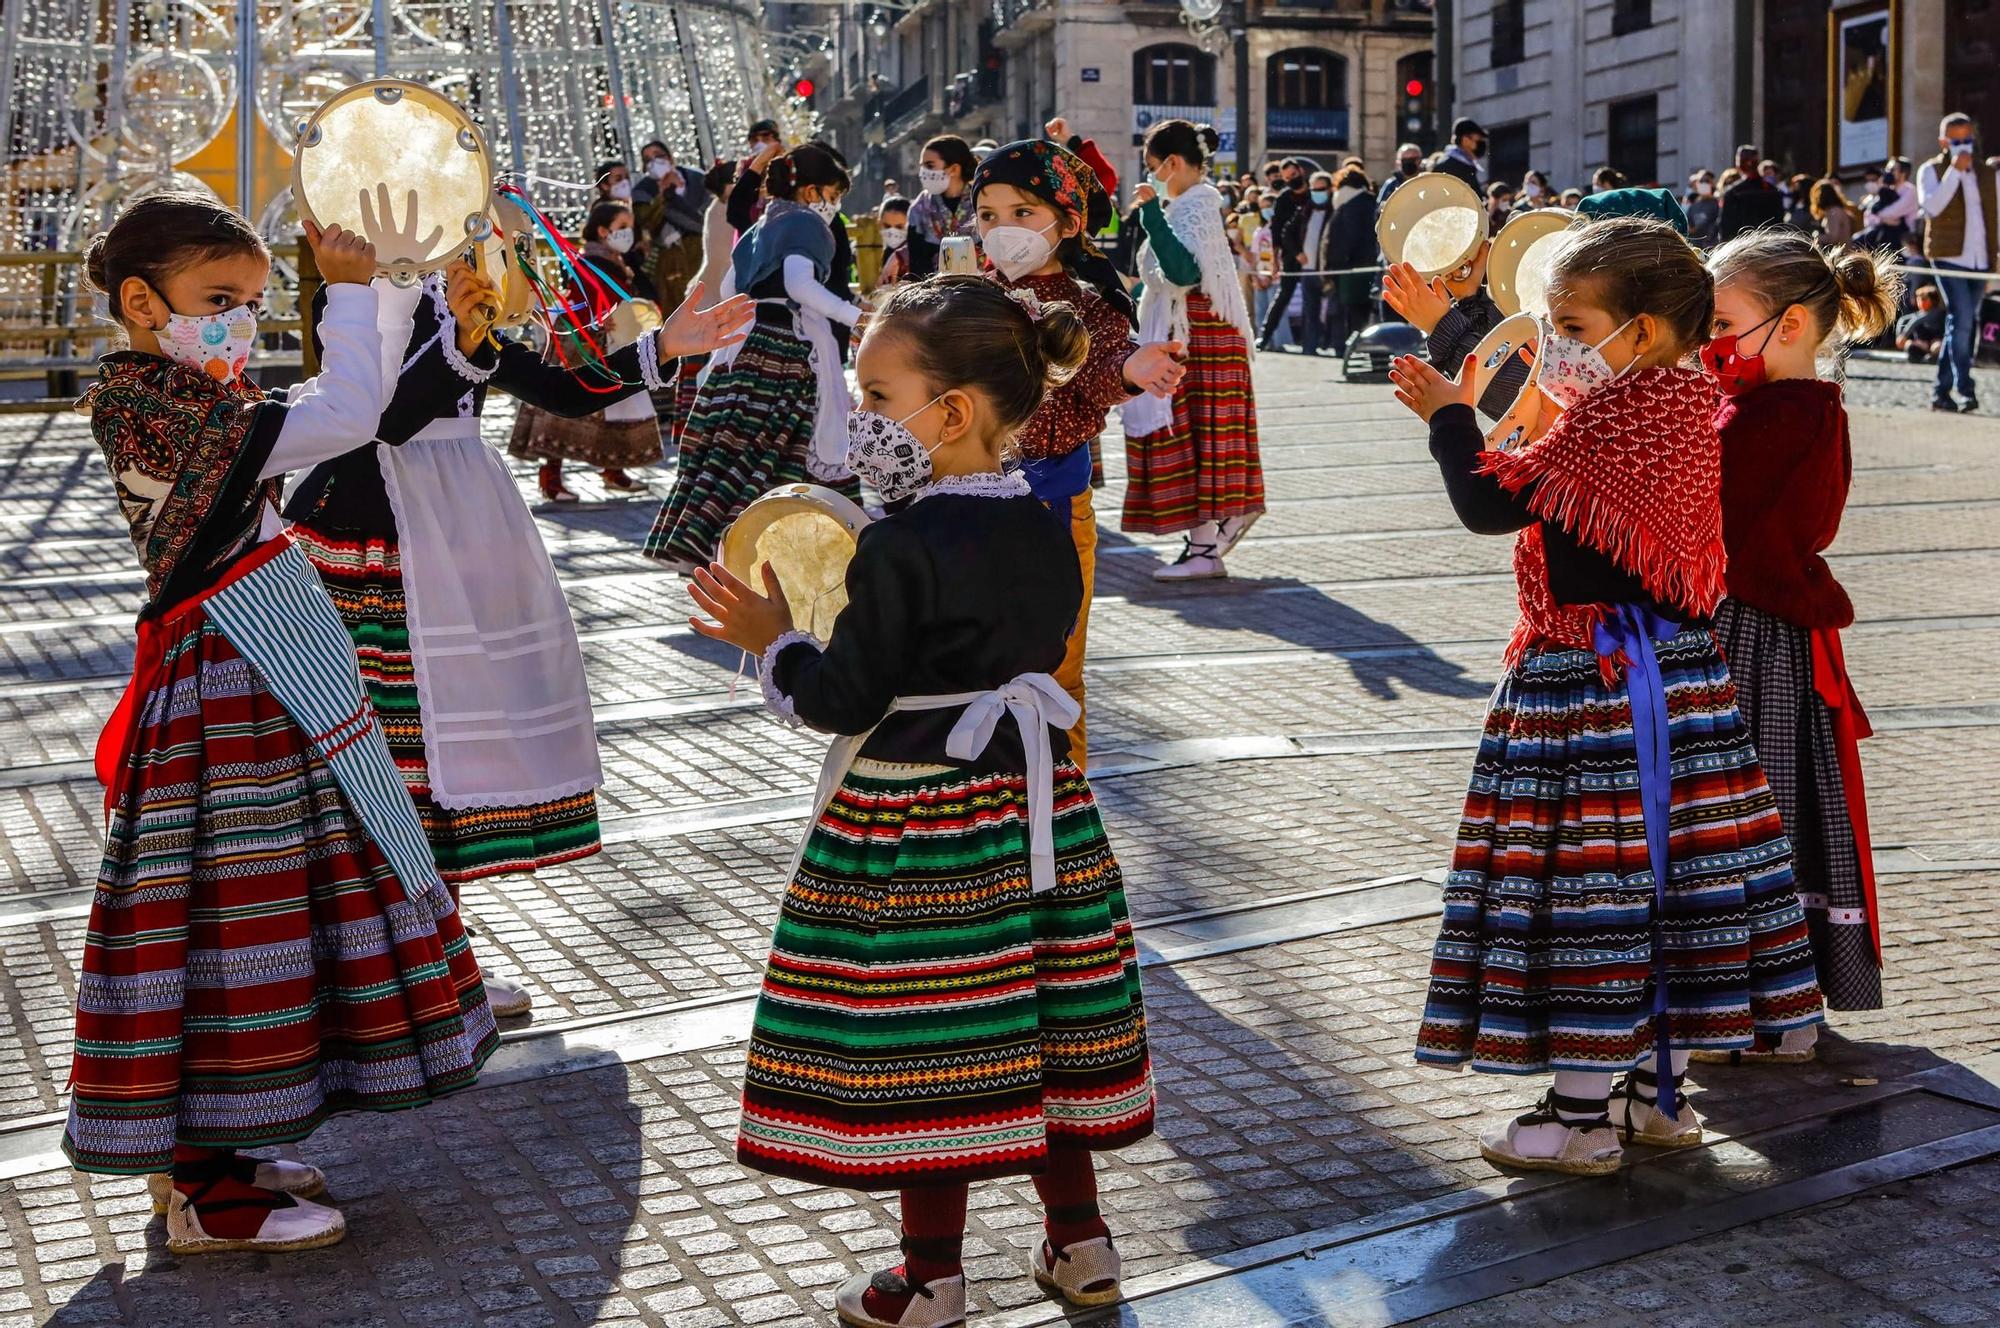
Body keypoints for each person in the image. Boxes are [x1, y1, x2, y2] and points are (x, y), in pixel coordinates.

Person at [688, 276, 1154, 1328]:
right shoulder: (1046, 522)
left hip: (919, 820)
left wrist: (775, 638)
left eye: (875, 392)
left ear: (947, 412)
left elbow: (844, 693)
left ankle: (930, 1277)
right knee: (1046, 1027)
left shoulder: (898, 544)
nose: (860, 418)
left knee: (934, 1043)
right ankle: (1081, 1243)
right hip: (1036, 806)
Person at [72, 191, 498, 1253]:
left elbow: (333, 402)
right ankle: (205, 1186)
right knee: (231, 920)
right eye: (220, 299)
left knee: (260, 912)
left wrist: (383, 287)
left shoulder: (182, 390)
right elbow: (347, 414)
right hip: (232, 686)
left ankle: (227, 1147)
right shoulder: (151, 403)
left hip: (257, 675)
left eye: (253, 303)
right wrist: (353, 292)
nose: (239, 324)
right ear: (140, 300)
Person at [1393, 216, 1823, 1175]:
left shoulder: (1627, 413)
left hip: (1598, 687)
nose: (1559, 346)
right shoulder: (1674, 399)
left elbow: (1492, 503)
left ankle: (1580, 1114)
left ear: (1645, 329)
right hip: (1675, 677)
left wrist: (1444, 420)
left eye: (1577, 328)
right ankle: (1648, 1096)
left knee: (1594, 886)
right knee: (1666, 884)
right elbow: (1545, 466)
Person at [286, 238, 754, 959]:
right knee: (388, 748)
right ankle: (383, 948)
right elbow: (382, 421)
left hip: (462, 526)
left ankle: (442, 945)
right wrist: (466, 345)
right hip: (370, 532)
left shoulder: (460, 292)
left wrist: (666, 345)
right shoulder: (351, 288)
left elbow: (561, 389)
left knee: (446, 750)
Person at [1698, 229, 1901, 1053]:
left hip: (1751, 634)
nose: (1709, 343)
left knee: (1746, 814)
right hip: (1768, 631)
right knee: (1771, 813)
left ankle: (1760, 1004)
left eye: (1720, 323)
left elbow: (1716, 516)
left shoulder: (1775, 415)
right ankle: (1777, 1004)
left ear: (1787, 325)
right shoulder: (1784, 406)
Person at [965, 136, 1185, 764]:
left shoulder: (1089, 301)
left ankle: (1066, 814)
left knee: (1054, 669)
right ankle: (990, 804)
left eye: (1023, 214)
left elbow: (1097, 367)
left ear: (1068, 221)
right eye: (988, 216)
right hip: (965, 507)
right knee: (975, 667)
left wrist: (1134, 367)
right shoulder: (966, 295)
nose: (1002, 231)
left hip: (1052, 511)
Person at [646, 142, 866, 570]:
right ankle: (786, 551)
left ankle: (717, 544)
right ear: (811, 191)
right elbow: (799, 284)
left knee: (739, 447)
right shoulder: (807, 225)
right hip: (785, 351)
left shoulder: (762, 225)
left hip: (747, 347)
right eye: (833, 194)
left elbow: (731, 287)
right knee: (784, 445)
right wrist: (854, 316)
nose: (835, 204)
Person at [1123, 120, 1263, 580]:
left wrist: (1149, 215)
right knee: (1198, 435)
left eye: (1154, 168)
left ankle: (1206, 548)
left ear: (1174, 163)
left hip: (1196, 336)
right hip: (1201, 333)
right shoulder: (1192, 205)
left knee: (1190, 434)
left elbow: (1182, 272)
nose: (1153, 177)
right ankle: (1207, 543)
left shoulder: (1192, 207)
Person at [507, 201, 662, 500]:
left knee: (614, 408)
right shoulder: (591, 260)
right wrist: (594, 325)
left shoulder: (612, 259)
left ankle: (612, 470)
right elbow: (582, 300)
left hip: (608, 341)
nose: (628, 233)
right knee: (566, 409)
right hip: (583, 341)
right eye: (621, 228)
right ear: (603, 230)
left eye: (629, 227)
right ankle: (551, 478)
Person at [1917, 112, 1997, 413]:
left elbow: (1994, 215)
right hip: (1948, 256)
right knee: (1961, 321)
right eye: (1957, 140)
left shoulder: (1985, 173)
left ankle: (1941, 392)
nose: (1964, 146)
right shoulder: (1931, 170)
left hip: (1980, 258)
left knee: (1963, 323)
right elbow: (1932, 208)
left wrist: (1995, 255)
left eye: (1967, 139)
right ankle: (1966, 389)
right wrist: (1953, 171)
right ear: (1944, 142)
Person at [634, 140, 708, 312]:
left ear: (670, 157)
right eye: (647, 160)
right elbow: (648, 224)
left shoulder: (697, 179)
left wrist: (677, 194)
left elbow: (705, 219)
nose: (654, 162)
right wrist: (662, 196)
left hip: (703, 251)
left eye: (658, 156)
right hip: (671, 262)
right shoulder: (642, 191)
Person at [1322, 163, 1379, 354]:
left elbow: (1343, 239)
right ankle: (1368, 350)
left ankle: (1347, 350)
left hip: (1347, 268)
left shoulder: (1345, 205)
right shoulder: (1371, 202)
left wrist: (1332, 265)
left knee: (1347, 312)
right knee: (1365, 311)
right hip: (1370, 265)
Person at [905, 133, 978, 278]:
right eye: (922, 167)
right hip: (934, 293)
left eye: (930, 166)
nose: (923, 173)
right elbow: (916, 266)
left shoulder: (981, 205)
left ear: (954, 169)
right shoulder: (919, 210)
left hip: (981, 291)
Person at [1256, 156, 1310, 350]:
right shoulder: (1283, 199)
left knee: (1314, 296)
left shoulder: (1314, 193)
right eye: (1288, 178)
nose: (1292, 179)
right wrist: (1275, 260)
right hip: (1290, 253)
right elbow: (1277, 231)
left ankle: (1311, 340)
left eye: (1294, 175)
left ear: (1301, 171)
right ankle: (1265, 336)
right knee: (1283, 295)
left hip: (1313, 253)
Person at [1295, 170, 1336, 354]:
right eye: (1314, 189)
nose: (1318, 192)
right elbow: (1289, 232)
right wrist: (1297, 252)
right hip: (1307, 269)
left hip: (1326, 270)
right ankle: (1309, 347)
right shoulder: (1305, 210)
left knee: (1331, 311)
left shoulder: (1335, 212)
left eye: (1322, 189)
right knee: (1309, 311)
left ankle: (1332, 345)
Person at [1719, 143, 1786, 240]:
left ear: (1739, 163)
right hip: (1768, 246)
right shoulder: (1772, 191)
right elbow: (1779, 226)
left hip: (1741, 248)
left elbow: (1726, 229)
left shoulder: (1733, 192)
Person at [871, 194, 912, 289]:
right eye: (887, 226)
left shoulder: (916, 253)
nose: (892, 232)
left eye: (899, 227)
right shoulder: (887, 251)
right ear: (879, 222)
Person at [1436, 118, 1487, 193]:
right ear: (1465, 140)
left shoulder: (1465, 165)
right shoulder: (1449, 166)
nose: (1481, 144)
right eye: (1478, 139)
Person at [1897, 284, 1946, 360]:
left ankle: (1933, 357)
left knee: (1937, 347)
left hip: (1935, 341)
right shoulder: (1919, 313)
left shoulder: (1936, 312)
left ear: (1933, 300)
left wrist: (1904, 335)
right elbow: (1903, 319)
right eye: (1918, 299)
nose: (1920, 302)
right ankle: (1920, 355)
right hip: (1923, 342)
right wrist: (1900, 335)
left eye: (1924, 299)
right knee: (1909, 345)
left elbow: (1918, 320)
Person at [1810, 177, 1862, 246]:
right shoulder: (1837, 209)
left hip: (1843, 252)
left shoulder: (1833, 212)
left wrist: (1817, 237)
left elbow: (1833, 238)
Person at [1685, 169, 1721, 248]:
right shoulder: (1693, 206)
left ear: (1712, 183)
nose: (1704, 183)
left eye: (1707, 181)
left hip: (1714, 248)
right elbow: (1688, 227)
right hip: (1697, 249)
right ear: (1697, 184)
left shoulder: (1718, 203)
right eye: (1701, 181)